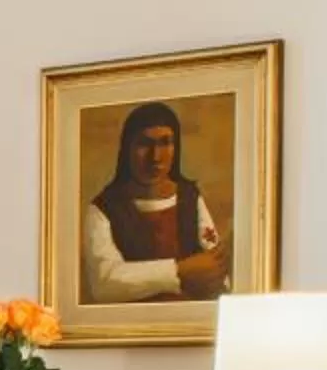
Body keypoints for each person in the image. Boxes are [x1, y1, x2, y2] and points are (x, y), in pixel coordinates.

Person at [81, 99, 228, 303]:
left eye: (165, 142)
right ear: (127, 149)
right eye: (144, 144)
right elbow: (105, 283)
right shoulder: (104, 208)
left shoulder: (189, 198)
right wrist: (179, 271)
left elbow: (214, 265)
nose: (156, 157)